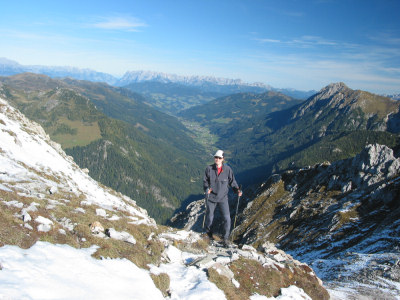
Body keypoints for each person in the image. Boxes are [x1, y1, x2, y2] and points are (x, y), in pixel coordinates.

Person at [203, 149, 242, 247]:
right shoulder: (209, 169)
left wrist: (237, 190)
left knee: (227, 218)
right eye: (216, 157)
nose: (217, 159)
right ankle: (209, 235)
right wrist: (207, 188)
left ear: (223, 159)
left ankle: (225, 239)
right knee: (209, 217)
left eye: (219, 158)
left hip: (223, 198)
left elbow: (232, 182)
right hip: (211, 197)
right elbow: (205, 181)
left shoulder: (228, 170)